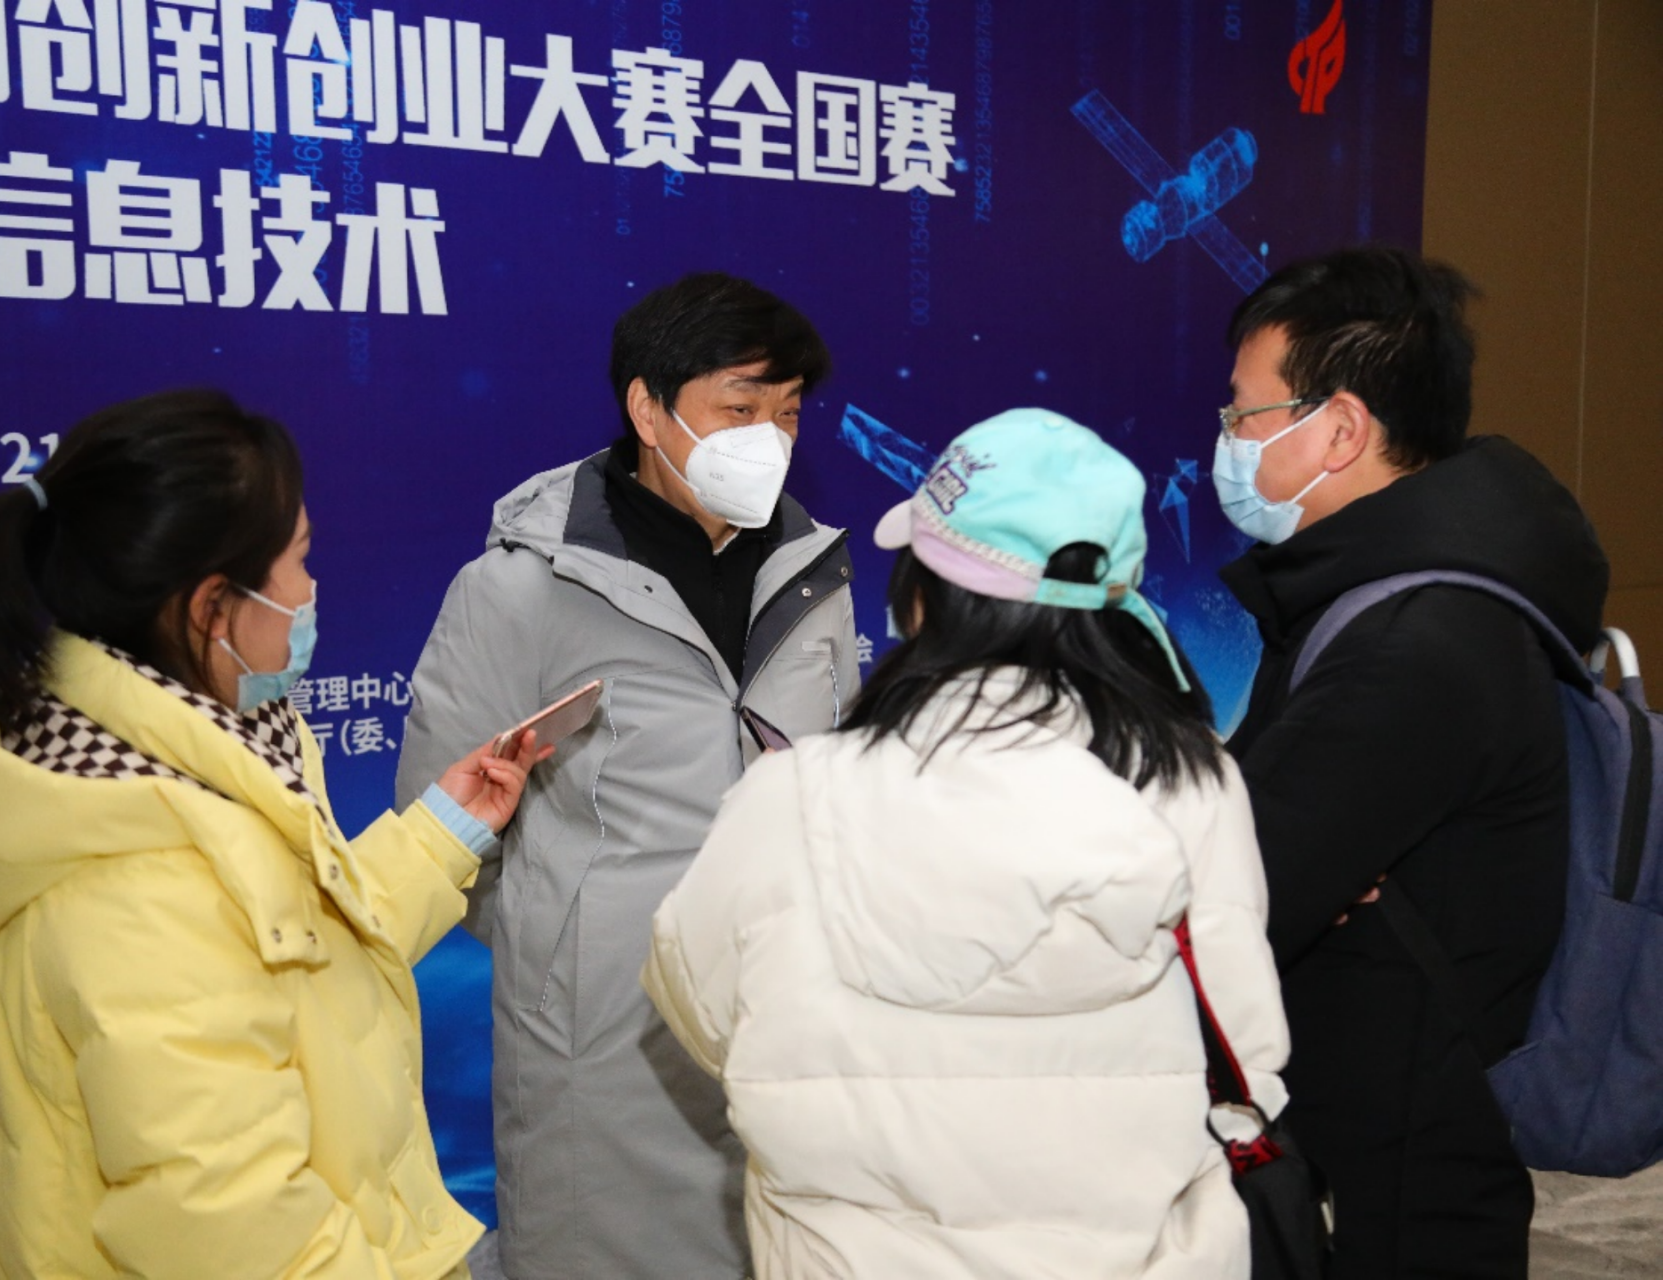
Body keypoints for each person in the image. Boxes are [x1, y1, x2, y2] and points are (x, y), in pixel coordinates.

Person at [0, 389, 546, 1280]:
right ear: (213, 606)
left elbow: (296, 955)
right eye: (298, 561)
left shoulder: (171, 757)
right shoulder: (141, 882)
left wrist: (444, 829)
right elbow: (236, 1231)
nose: (310, 591)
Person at [643, 408, 1291, 1278]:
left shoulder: (790, 797)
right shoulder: (1188, 780)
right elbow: (1244, 1052)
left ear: (925, 596)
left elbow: (700, 1004)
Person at [395, 272, 861, 1279]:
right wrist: (573, 944)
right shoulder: (522, 586)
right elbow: (442, 824)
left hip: (785, 1021)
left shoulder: (813, 578)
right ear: (648, 409)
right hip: (602, 1047)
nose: (770, 440)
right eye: (739, 409)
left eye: (788, 413)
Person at [1213, 245, 1611, 1277]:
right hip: (1384, 1106)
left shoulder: (1418, 636)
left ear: (1340, 428)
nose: (1228, 440)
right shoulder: (1385, 595)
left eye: (1245, 414)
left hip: (1410, 1148)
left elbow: (1247, 881)